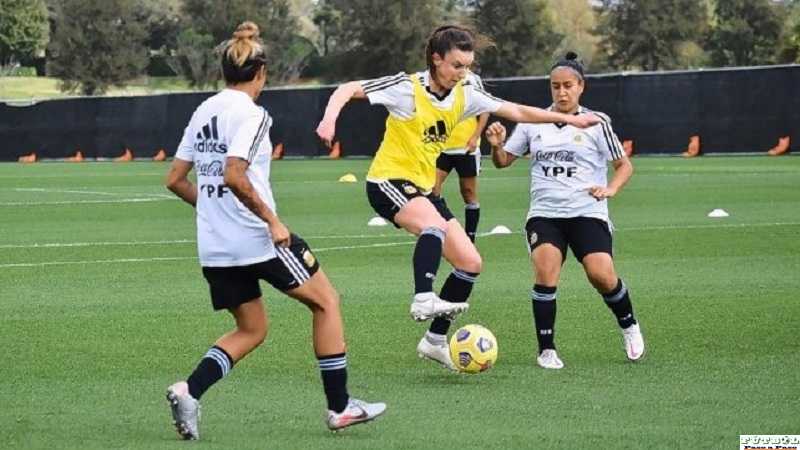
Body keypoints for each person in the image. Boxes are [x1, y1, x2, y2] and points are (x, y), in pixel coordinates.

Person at [315, 25, 600, 371]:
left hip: (422, 189)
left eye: (467, 66)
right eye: (456, 65)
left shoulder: (466, 93)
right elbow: (347, 89)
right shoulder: (406, 88)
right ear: (436, 60)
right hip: (387, 181)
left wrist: (569, 120)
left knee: (470, 262)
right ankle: (423, 297)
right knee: (433, 226)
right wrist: (329, 120)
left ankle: (434, 340)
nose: (462, 72)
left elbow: (517, 111)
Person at [163, 22, 385, 439]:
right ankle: (340, 407)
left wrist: (214, 212)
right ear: (261, 73)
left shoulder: (203, 110)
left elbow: (174, 179)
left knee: (252, 329)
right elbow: (234, 174)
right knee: (327, 302)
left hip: (215, 247)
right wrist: (272, 221)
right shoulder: (253, 115)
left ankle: (189, 391)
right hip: (259, 240)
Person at [485, 52, 645, 370]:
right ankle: (546, 350)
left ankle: (629, 325)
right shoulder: (533, 122)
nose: (561, 92)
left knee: (601, 275)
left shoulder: (596, 122)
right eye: (555, 86)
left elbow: (624, 165)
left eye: (568, 86)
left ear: (581, 86)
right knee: (546, 273)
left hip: (588, 212)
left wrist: (611, 189)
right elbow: (503, 162)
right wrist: (496, 144)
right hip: (545, 214)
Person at [431, 71, 489, 244]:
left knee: (468, 193)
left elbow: (485, 109)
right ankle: (448, 229)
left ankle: (470, 240)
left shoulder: (472, 79)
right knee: (432, 190)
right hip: (441, 146)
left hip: (466, 147)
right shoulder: (436, 76)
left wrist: (475, 136)